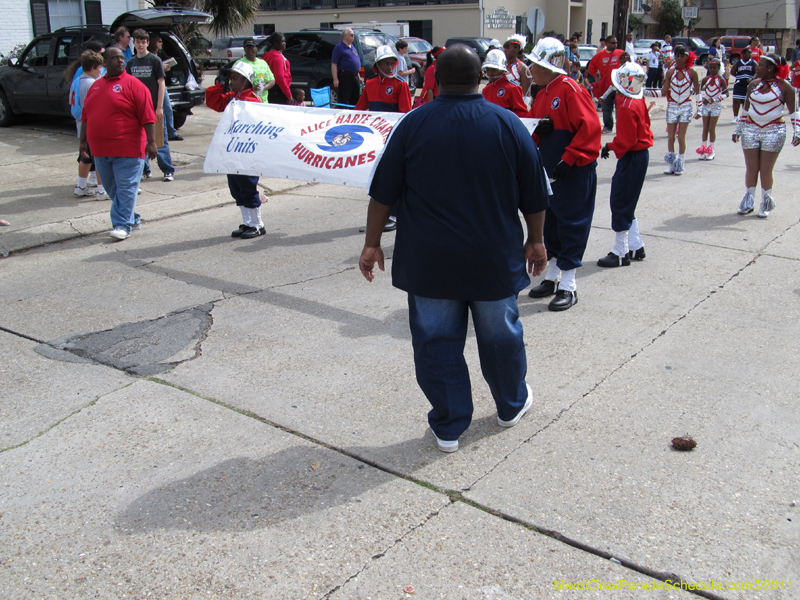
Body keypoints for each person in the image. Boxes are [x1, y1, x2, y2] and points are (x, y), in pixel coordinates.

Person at [358, 45, 549, 453]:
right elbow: (535, 194)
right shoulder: (509, 124)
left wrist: (372, 243)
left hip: (431, 263)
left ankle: (449, 425)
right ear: (482, 77)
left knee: (436, 342)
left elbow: (382, 194)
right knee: (501, 336)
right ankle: (510, 404)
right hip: (492, 259)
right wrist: (536, 239)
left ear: (436, 80)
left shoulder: (412, 125)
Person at [527, 37, 601, 311]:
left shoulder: (571, 89)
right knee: (552, 225)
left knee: (572, 224)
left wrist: (570, 159)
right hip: (550, 171)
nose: (531, 69)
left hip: (572, 172)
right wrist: (538, 130)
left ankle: (569, 285)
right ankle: (553, 275)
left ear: (549, 65)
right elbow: (534, 127)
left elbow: (590, 128)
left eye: (535, 64)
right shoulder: (544, 92)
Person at [80, 46, 157, 241]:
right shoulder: (95, 86)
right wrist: (82, 143)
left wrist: (152, 142)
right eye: (114, 58)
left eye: (122, 58)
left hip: (128, 149)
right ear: (104, 62)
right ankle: (132, 218)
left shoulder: (135, 85)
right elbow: (86, 117)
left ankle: (122, 225)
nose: (120, 61)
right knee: (113, 190)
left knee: (125, 189)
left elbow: (148, 117)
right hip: (100, 150)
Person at [205, 62, 268, 238]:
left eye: (235, 78)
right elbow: (213, 101)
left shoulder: (252, 100)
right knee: (236, 187)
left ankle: (257, 224)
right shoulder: (233, 97)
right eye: (230, 78)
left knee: (247, 186)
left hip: (247, 153)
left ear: (246, 81)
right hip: (233, 151)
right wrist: (220, 83)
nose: (232, 82)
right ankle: (247, 222)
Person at [598, 62, 652, 267]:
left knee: (620, 201)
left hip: (633, 155)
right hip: (638, 155)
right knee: (628, 201)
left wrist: (610, 146)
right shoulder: (636, 101)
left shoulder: (628, 106)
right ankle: (636, 245)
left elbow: (627, 140)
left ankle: (621, 251)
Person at [733, 54, 799, 218]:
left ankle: (766, 201)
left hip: (774, 131)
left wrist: (797, 131)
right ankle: (748, 200)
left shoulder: (785, 87)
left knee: (766, 169)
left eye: (760, 65)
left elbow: (794, 112)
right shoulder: (753, 85)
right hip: (750, 130)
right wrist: (739, 129)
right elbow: (746, 110)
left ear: (770, 68)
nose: (757, 67)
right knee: (751, 167)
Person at [126, 29, 176, 183]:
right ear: (133, 43)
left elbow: (161, 84)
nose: (141, 45)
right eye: (138, 41)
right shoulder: (131, 63)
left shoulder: (154, 60)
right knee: (141, 141)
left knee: (160, 141)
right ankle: (145, 170)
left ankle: (167, 170)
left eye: (143, 42)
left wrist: (159, 107)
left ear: (147, 43)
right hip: (137, 109)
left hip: (154, 108)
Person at [66, 40, 106, 198]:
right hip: (92, 126)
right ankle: (102, 190)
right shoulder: (93, 84)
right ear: (93, 67)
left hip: (80, 125)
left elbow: (71, 101)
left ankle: (81, 186)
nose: (101, 70)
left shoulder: (77, 81)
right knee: (100, 158)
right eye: (100, 67)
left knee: (85, 156)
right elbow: (98, 108)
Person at [662, 45, 699, 175]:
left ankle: (681, 163)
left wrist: (699, 109)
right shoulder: (670, 72)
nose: (679, 58)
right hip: (672, 105)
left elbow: (698, 92)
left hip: (686, 105)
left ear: (686, 57)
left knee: (681, 136)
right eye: (677, 56)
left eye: (682, 56)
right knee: (671, 136)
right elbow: (663, 91)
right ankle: (671, 164)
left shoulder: (692, 72)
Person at [148, 33, 181, 141]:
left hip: (162, 84)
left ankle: (171, 132)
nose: (161, 44)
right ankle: (166, 133)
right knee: (162, 109)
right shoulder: (150, 57)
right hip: (154, 85)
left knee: (167, 108)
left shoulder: (159, 54)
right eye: (159, 41)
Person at [588, 34, 623, 133]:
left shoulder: (621, 53)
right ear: (606, 43)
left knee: (620, 107)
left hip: (620, 86)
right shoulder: (599, 55)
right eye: (612, 43)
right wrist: (596, 78)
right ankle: (608, 126)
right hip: (606, 86)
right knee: (606, 107)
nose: (615, 45)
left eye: (616, 43)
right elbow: (591, 67)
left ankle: (621, 126)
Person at [695, 58, 727, 160]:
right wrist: (702, 99)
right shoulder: (705, 79)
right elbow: (697, 91)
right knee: (705, 128)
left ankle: (711, 151)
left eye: (715, 68)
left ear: (719, 68)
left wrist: (716, 99)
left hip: (715, 106)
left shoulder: (721, 80)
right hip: (706, 106)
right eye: (711, 68)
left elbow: (726, 93)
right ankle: (703, 150)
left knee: (711, 128)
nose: (713, 70)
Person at [481, 49, 528, 118]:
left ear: (503, 70)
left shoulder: (513, 88)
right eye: (488, 69)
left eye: (494, 69)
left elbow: (522, 114)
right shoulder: (486, 89)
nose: (490, 73)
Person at [236, 38, 274, 104]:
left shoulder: (263, 63)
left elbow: (272, 80)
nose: (250, 49)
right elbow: (234, 85)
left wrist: (264, 88)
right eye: (247, 47)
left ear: (256, 48)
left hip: (263, 103)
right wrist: (252, 89)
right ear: (244, 49)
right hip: (247, 102)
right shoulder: (240, 64)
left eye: (252, 47)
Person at [331, 28, 361, 106]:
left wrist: (359, 76)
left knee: (355, 99)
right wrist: (335, 79)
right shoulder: (339, 47)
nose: (353, 36)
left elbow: (355, 62)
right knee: (344, 99)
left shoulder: (352, 47)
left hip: (355, 76)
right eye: (351, 35)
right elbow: (334, 64)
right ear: (345, 36)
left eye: (353, 35)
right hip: (345, 76)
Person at [263, 32, 292, 105]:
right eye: (282, 41)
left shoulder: (266, 55)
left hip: (270, 89)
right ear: (275, 43)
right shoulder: (277, 56)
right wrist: (289, 95)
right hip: (279, 90)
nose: (284, 43)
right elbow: (279, 78)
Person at [731, 48, 756, 123]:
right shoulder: (738, 63)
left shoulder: (753, 62)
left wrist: (752, 78)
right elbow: (732, 72)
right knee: (736, 101)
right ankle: (735, 117)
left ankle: (745, 116)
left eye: (751, 53)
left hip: (748, 85)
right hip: (739, 84)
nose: (750, 55)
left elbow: (757, 72)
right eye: (748, 53)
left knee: (746, 101)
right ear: (743, 54)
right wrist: (739, 77)